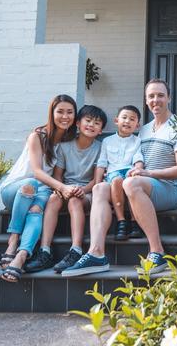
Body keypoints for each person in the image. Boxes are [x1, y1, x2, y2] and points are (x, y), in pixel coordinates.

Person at [63, 79, 177, 277]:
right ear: (146, 100)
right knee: (100, 188)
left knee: (131, 183)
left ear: (169, 98)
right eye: (151, 96)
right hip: (138, 187)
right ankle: (96, 253)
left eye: (160, 95)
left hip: (167, 190)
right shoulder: (145, 129)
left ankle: (157, 251)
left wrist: (148, 173)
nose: (155, 100)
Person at [0, 94, 77, 283]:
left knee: (36, 210)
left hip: (42, 191)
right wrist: (62, 188)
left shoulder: (68, 142)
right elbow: (37, 172)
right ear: (52, 113)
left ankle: (21, 256)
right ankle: (13, 240)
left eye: (70, 112)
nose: (65, 116)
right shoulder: (37, 136)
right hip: (15, 190)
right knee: (32, 184)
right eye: (60, 112)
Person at [44, 104, 106, 274]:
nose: (91, 125)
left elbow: (97, 179)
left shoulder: (101, 148)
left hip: (87, 193)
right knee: (53, 199)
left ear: (101, 130)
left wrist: (83, 190)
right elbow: (57, 175)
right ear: (78, 123)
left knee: (74, 200)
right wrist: (63, 188)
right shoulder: (65, 147)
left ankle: (76, 250)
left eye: (97, 123)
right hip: (65, 189)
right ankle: (44, 250)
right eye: (88, 120)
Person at [99, 105, 143, 241]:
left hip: (129, 172)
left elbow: (138, 158)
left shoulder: (137, 141)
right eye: (124, 117)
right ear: (116, 120)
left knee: (132, 182)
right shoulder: (107, 141)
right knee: (117, 180)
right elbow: (102, 163)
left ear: (137, 125)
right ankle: (121, 221)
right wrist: (97, 182)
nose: (127, 121)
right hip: (113, 174)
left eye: (132, 119)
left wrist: (138, 170)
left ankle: (135, 221)